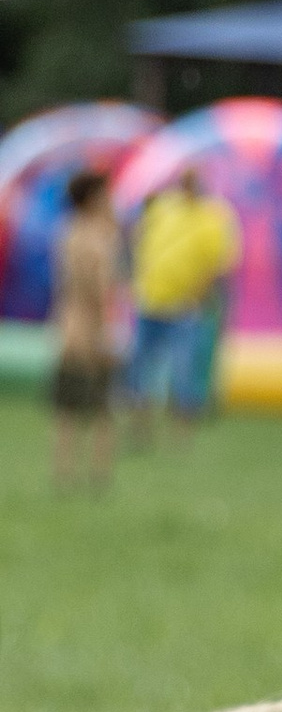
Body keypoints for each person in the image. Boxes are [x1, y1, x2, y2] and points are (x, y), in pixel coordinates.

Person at [125, 168, 239, 445]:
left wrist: (199, 294)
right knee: (141, 367)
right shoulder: (164, 208)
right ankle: (141, 425)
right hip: (151, 299)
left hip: (184, 306)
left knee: (183, 370)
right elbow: (139, 233)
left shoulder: (212, 217)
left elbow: (218, 263)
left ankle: (181, 432)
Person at [47, 168, 120, 492]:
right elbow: (100, 289)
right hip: (91, 330)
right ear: (92, 199)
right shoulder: (99, 238)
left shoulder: (67, 232)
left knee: (66, 409)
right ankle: (99, 474)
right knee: (103, 408)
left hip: (66, 327)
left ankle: (63, 472)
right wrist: (107, 331)